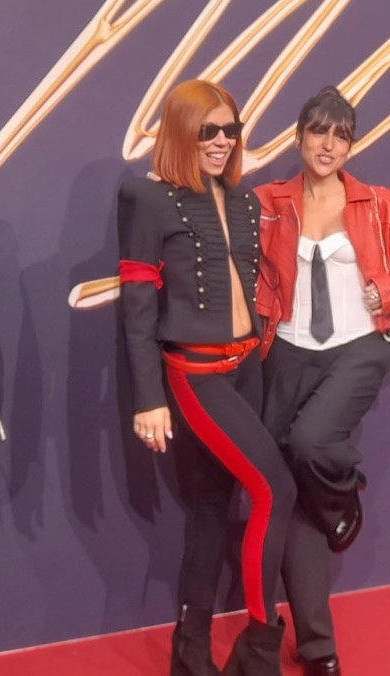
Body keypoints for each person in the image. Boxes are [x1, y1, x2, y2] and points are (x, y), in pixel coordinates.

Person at [253, 87, 390, 676]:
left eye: (341, 137)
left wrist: (387, 290)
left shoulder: (380, 204)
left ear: (351, 146)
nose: (329, 146)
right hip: (287, 352)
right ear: (299, 136)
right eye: (319, 132)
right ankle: (319, 648)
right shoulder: (266, 202)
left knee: (310, 442)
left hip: (358, 348)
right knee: (291, 499)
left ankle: (342, 503)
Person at [116, 80, 295, 676]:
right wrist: (148, 398)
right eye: (207, 130)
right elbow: (137, 307)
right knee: (275, 491)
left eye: (230, 129)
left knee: (213, 503)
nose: (221, 141)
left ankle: (190, 652)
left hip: (247, 368)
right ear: (180, 133)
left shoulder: (243, 201)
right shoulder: (147, 198)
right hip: (196, 374)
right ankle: (260, 647)